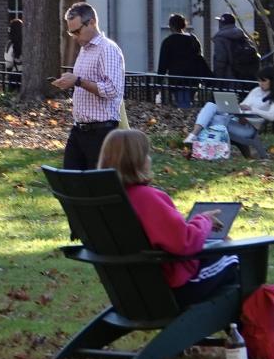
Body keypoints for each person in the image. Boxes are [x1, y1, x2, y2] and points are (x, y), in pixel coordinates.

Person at [98, 128, 240, 306]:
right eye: (147, 154)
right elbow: (183, 242)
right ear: (138, 161)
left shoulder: (105, 201)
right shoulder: (146, 198)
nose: (149, 159)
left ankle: (234, 329)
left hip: (130, 292)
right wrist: (205, 221)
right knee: (234, 257)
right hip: (171, 289)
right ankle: (244, 330)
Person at [54, 2, 126, 169]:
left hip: (102, 132)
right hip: (79, 129)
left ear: (92, 22)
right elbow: (81, 81)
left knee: (98, 187)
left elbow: (111, 89)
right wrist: (69, 81)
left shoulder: (107, 49)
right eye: (71, 32)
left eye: (77, 31)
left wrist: (78, 81)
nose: (74, 36)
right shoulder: (85, 50)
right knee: (69, 182)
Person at [184, 61, 274, 152]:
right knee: (211, 105)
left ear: (272, 81)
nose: (260, 84)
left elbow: (272, 116)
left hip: (248, 129)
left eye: (264, 81)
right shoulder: (256, 91)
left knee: (215, 119)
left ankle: (201, 145)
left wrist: (253, 110)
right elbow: (244, 105)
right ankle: (194, 135)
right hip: (237, 119)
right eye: (259, 81)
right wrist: (236, 106)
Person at [155, 13, 209, 108]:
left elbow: (162, 65)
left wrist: (158, 83)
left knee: (183, 104)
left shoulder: (168, 42)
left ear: (171, 26)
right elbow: (199, 57)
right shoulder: (193, 39)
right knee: (189, 102)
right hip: (193, 79)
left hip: (177, 80)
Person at [211, 12, 259, 82]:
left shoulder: (220, 38)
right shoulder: (241, 35)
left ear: (221, 24)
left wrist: (217, 79)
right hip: (244, 77)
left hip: (228, 77)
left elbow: (220, 60)